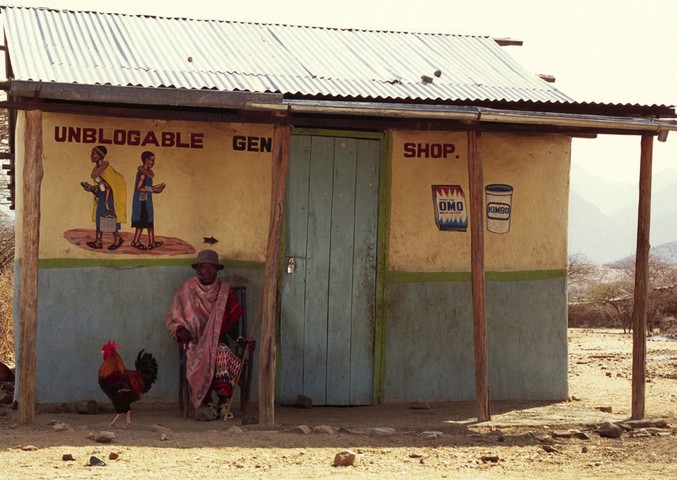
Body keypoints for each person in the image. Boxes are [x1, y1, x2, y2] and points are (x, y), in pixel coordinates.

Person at [164, 249, 255, 420]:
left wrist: (242, 341)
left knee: (221, 351)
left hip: (219, 341)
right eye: (203, 267)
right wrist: (180, 329)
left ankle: (223, 401)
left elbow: (232, 327)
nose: (206, 271)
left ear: (217, 270)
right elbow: (172, 317)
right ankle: (206, 404)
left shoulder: (225, 292)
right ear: (197, 270)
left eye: (211, 267)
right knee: (210, 354)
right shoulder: (187, 289)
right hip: (195, 344)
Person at [80, 145, 127, 250]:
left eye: (94, 154)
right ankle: (98, 241)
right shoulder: (97, 169)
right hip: (103, 196)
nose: (91, 156)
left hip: (108, 198)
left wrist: (106, 202)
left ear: (100, 156)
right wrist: (91, 188)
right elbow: (102, 187)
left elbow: (108, 188)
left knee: (109, 219)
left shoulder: (104, 170)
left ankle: (117, 239)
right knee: (99, 219)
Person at [131, 151, 166, 250]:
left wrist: (156, 188)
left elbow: (147, 187)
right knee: (142, 222)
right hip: (142, 202)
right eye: (152, 160)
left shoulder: (147, 173)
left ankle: (151, 242)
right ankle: (136, 241)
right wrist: (153, 190)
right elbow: (139, 188)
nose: (153, 162)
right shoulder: (142, 174)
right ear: (146, 160)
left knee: (150, 221)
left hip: (147, 200)